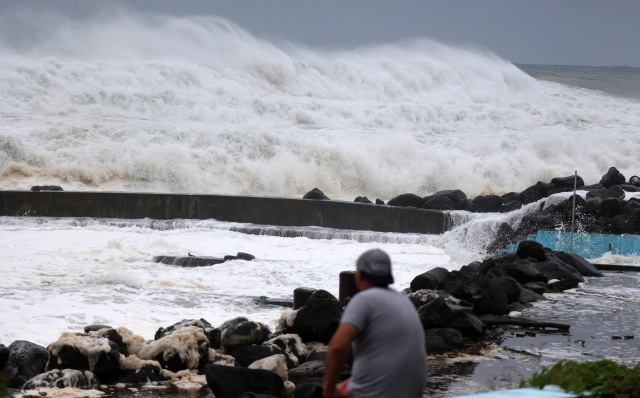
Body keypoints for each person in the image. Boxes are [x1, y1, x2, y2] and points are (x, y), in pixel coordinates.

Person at [323, 248, 428, 398]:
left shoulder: (363, 300)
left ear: (359, 274)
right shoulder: (404, 301)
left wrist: (328, 391)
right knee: (346, 385)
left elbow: (338, 346)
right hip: (412, 392)